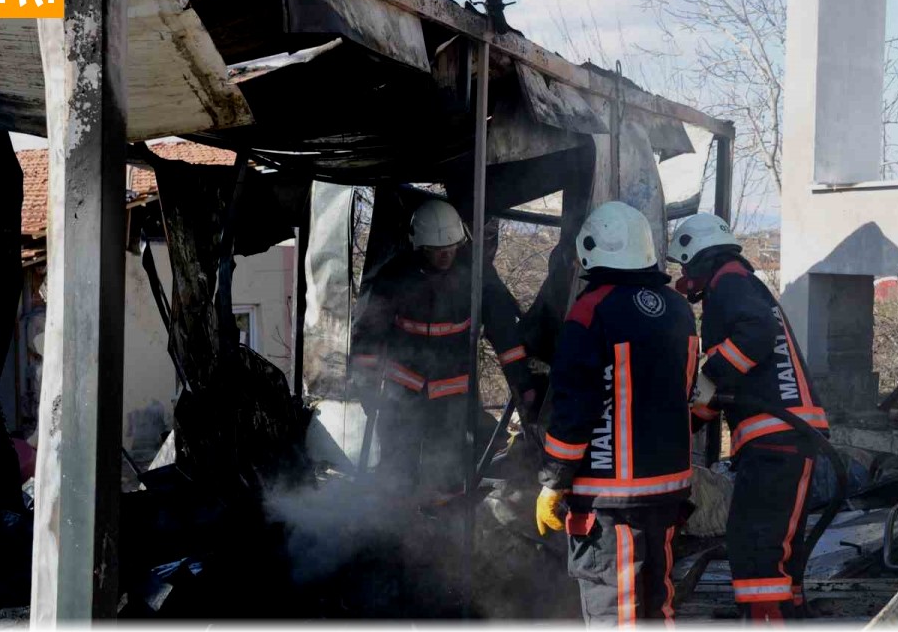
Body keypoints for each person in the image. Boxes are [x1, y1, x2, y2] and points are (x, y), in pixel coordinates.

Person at [535, 201, 698, 625]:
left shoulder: (592, 310)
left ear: (591, 250)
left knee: (617, 607)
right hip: (668, 490)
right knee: (657, 604)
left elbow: (575, 405)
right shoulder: (679, 310)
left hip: (611, 498)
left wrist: (554, 482)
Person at [668, 213, 830, 622]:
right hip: (784, 435)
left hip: (778, 436)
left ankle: (765, 619)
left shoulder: (730, 284)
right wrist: (687, 423)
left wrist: (708, 372)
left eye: (687, 268)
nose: (686, 279)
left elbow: (754, 337)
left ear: (699, 258)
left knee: (754, 544)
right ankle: (788, 616)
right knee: (775, 547)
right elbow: (724, 391)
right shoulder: (740, 284)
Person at [350, 198, 534, 497]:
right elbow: (367, 338)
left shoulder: (476, 274)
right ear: (419, 247)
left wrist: (522, 382)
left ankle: (442, 535)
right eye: (437, 251)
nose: (446, 256)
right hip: (402, 397)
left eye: (451, 248)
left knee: (449, 474)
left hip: (454, 399)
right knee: (397, 474)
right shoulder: (393, 277)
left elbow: (505, 332)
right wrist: (367, 389)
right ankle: (392, 529)